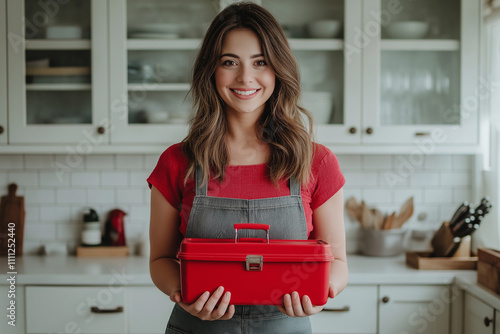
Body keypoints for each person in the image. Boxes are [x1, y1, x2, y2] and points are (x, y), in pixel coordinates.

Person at [147, 2, 347, 333]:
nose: (245, 77)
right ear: (210, 70)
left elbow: (337, 262)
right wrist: (183, 295)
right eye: (229, 62)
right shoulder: (177, 162)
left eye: (260, 62)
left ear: (277, 70)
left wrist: (323, 292)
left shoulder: (317, 162)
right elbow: (160, 261)